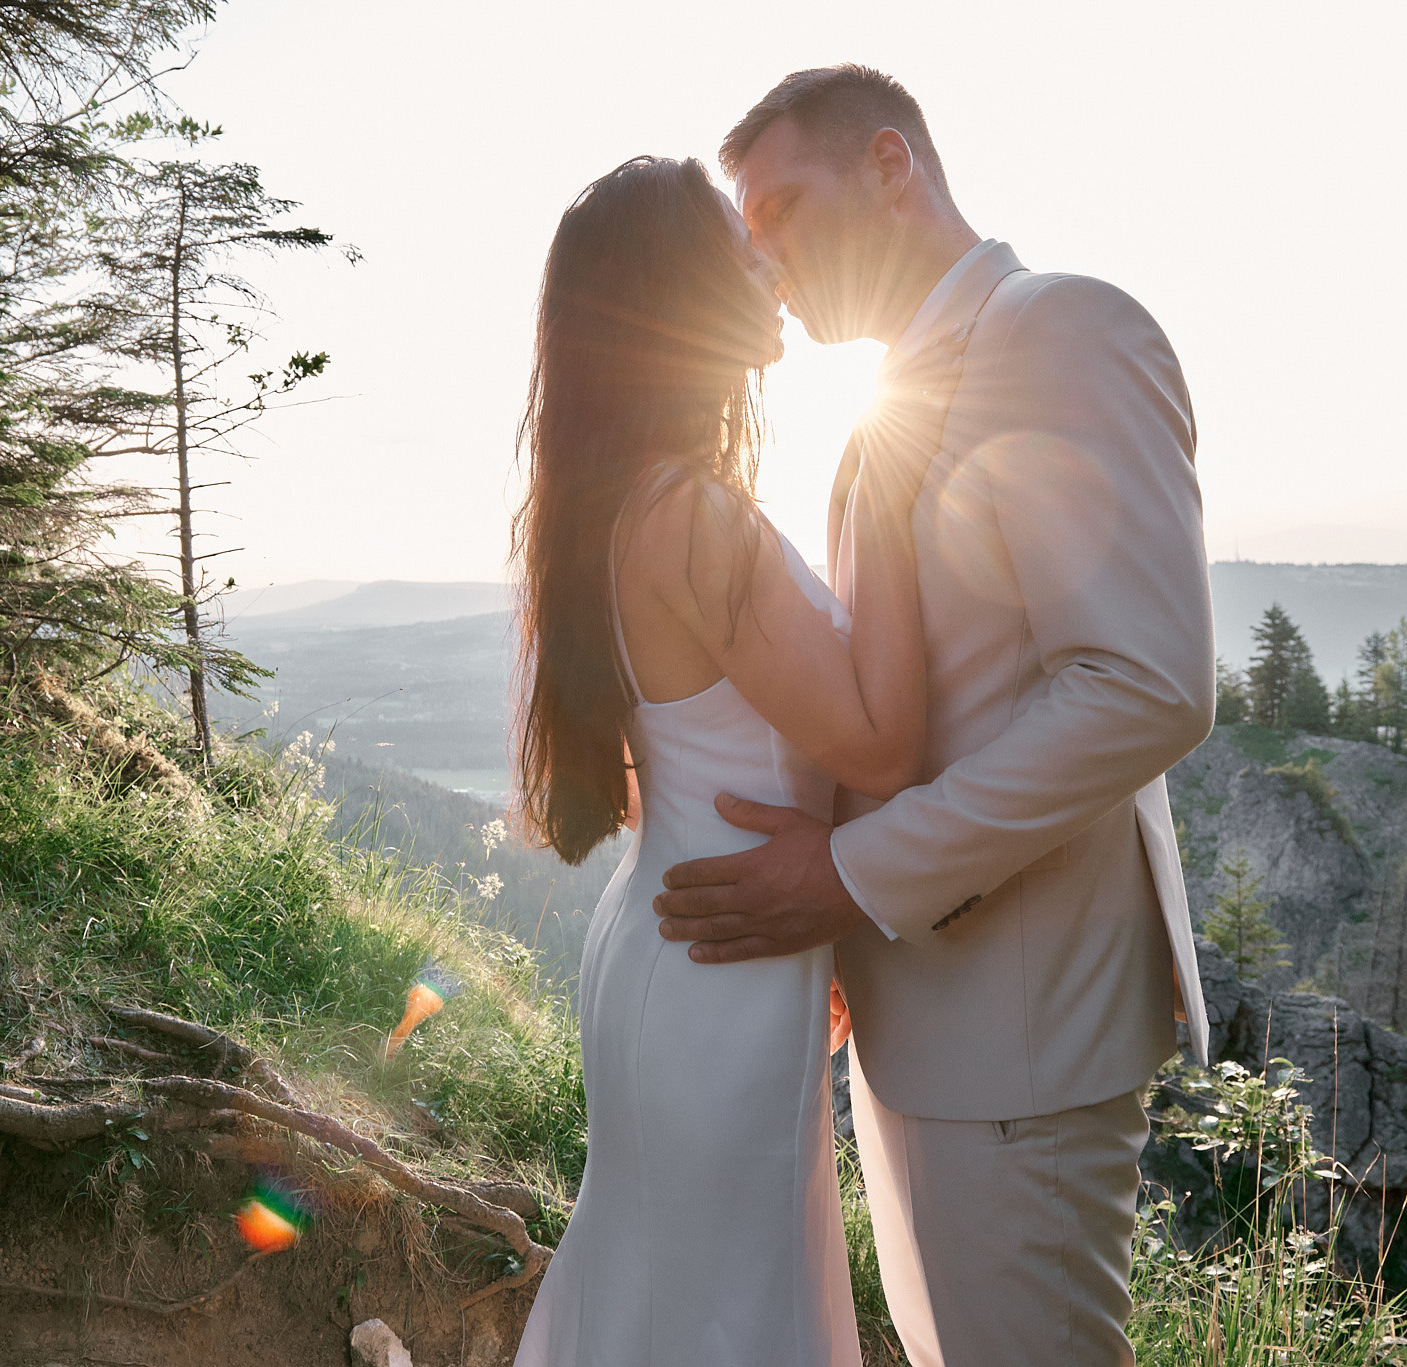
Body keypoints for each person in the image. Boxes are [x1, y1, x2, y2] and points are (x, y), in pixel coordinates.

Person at [650, 65, 1218, 1366]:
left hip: (1020, 1037)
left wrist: (852, 875)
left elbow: (1147, 685)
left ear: (892, 167)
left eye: (784, 208)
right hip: (925, 1014)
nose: (768, 260)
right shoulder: (903, 391)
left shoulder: (1058, 329)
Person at [508, 154, 936, 1367]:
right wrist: (891, 473)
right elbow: (881, 738)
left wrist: (829, 913)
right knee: (710, 1308)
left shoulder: (630, 502)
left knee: (678, 1289)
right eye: (727, 238)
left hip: (697, 935)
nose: (760, 254)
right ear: (676, 291)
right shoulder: (689, 515)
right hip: (716, 962)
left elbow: (701, 753)